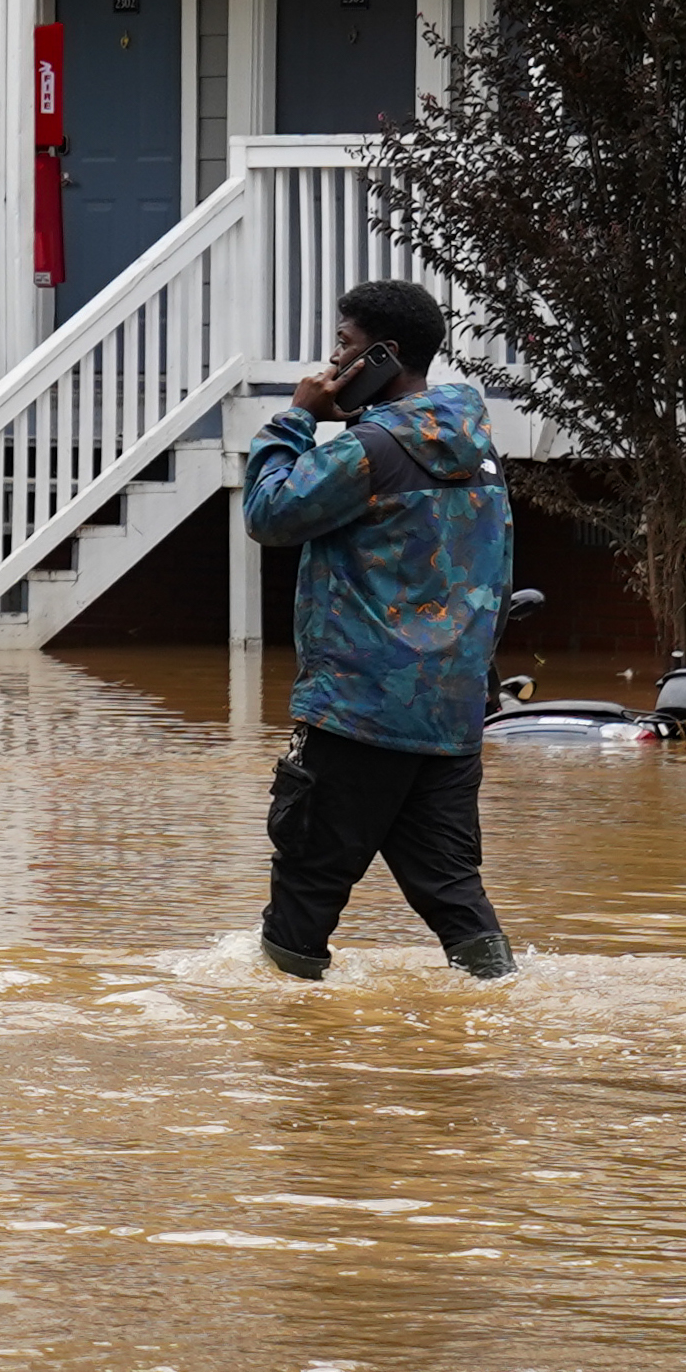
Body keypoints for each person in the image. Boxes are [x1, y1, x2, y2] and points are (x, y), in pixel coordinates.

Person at [236, 273, 521, 982]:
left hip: (358, 711)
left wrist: (293, 418)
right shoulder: (477, 446)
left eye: (343, 346)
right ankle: (497, 1017)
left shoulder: (369, 450)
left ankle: (288, 1065)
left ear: (383, 357)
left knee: (304, 887)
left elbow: (269, 514)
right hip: (449, 714)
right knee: (452, 892)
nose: (329, 366)